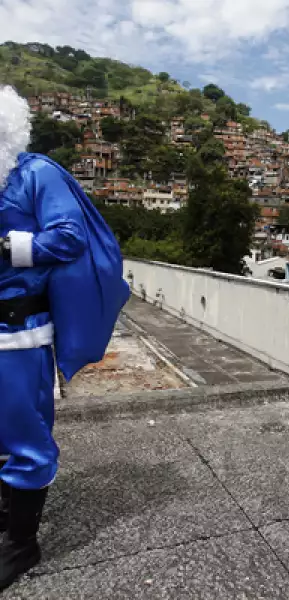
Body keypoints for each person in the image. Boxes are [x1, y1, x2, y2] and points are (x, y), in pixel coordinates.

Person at [0, 85, 128, 590]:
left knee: (24, 433)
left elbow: (69, 236)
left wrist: (7, 247)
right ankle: (7, 513)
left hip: (20, 332)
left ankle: (22, 544)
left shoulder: (37, 173)